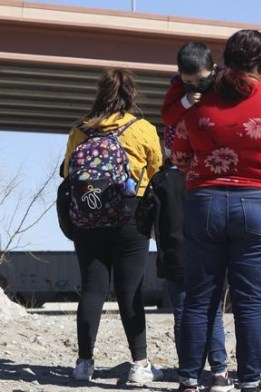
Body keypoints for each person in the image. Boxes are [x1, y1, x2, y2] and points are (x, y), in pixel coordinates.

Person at [171, 29, 261, 392]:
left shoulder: (198, 101)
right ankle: (248, 381)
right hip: (258, 206)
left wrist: (208, 170)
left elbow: (179, 154)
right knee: (251, 302)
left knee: (200, 298)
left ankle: (188, 380)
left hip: (205, 202)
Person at [62, 68, 163, 384]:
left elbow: (67, 173)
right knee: (129, 289)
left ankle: (83, 363)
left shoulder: (80, 130)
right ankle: (140, 364)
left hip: (87, 218)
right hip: (130, 218)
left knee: (92, 288)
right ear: (131, 96)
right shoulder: (142, 128)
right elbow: (157, 168)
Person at [155, 41, 233, 392]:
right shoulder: (180, 91)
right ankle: (202, 371)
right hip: (195, 184)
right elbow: (168, 115)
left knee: (201, 301)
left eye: (200, 81)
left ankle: (209, 370)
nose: (195, 87)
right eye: (188, 83)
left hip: (210, 180)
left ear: (213, 69)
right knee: (202, 302)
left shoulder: (224, 85)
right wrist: (188, 101)